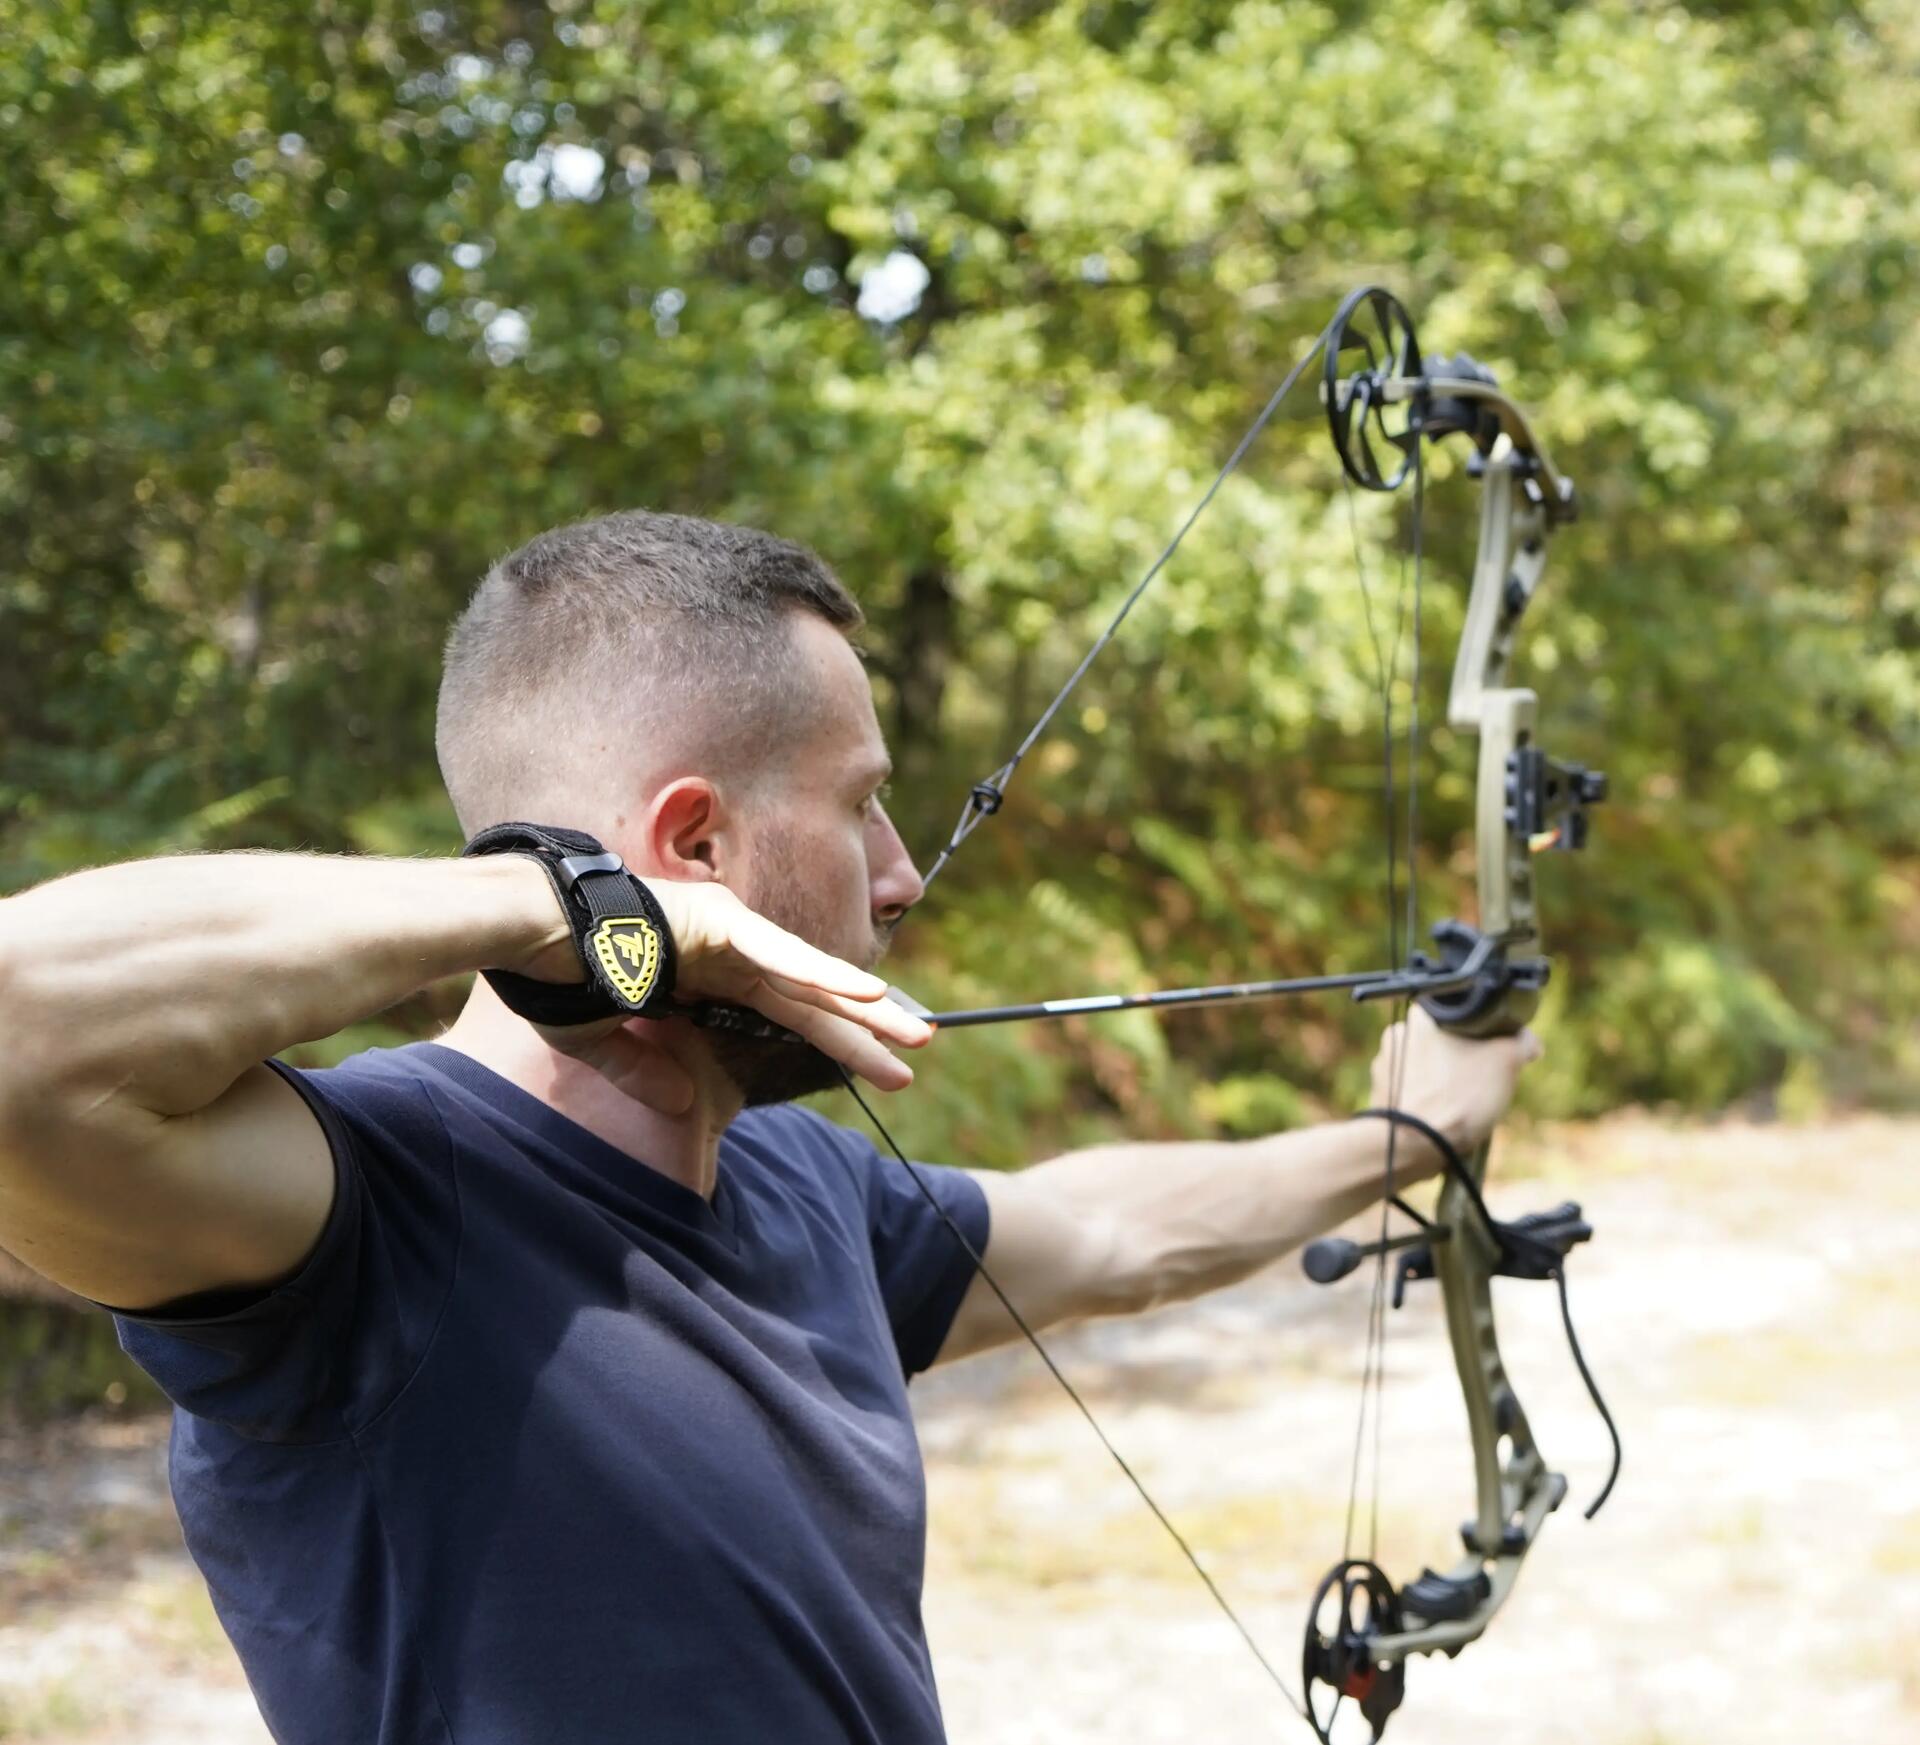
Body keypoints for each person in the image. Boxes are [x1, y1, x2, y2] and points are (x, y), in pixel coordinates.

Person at [0, 511, 1537, 1745]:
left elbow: (1121, 1230)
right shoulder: (369, 1211)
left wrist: (1416, 1131)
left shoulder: (800, 1179)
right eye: (864, 802)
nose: (902, 872)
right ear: (693, 843)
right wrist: (569, 901)